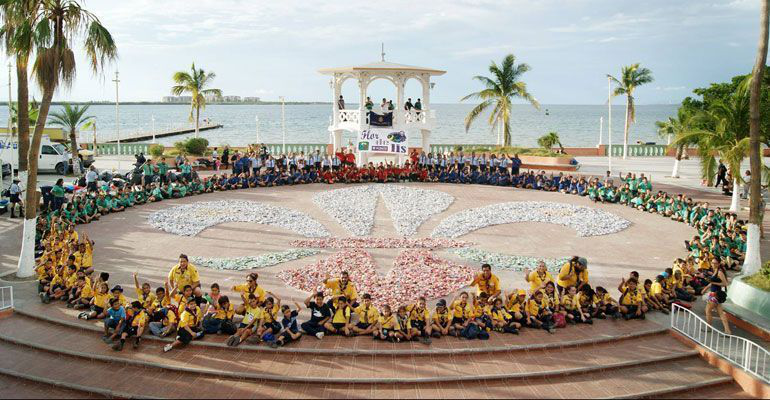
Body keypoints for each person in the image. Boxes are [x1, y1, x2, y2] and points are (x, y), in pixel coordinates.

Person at [703, 262, 731, 334]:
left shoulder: (719, 272)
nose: (713, 264)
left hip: (714, 295)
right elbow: (712, 282)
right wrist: (705, 288)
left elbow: (725, 284)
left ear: (718, 264)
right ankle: (727, 331)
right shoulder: (716, 270)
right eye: (712, 262)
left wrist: (713, 283)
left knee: (708, 311)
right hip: (715, 294)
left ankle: (708, 328)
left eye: (715, 263)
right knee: (721, 313)